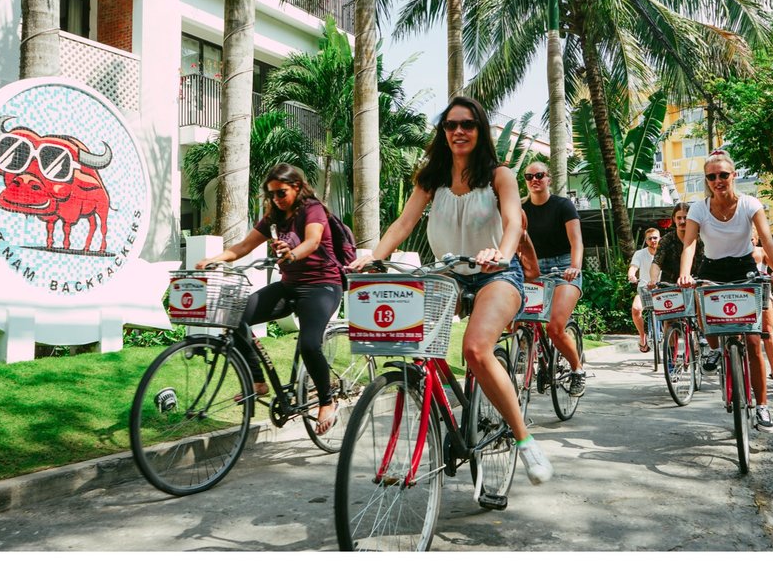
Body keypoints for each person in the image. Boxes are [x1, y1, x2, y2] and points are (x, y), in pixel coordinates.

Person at [349, 96, 553, 485]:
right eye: (450, 125)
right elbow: (403, 223)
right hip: (448, 274)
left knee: (475, 349)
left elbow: (513, 223)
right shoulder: (432, 178)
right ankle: (424, 427)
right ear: (443, 132)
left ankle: (525, 440)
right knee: (410, 343)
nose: (459, 131)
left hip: (497, 273)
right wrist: (373, 257)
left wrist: (501, 253)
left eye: (468, 124)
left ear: (480, 131)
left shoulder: (501, 175)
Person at [196, 163, 342, 435]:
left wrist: (293, 253)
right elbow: (242, 246)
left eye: (281, 193)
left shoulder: (313, 209)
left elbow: (312, 241)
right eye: (271, 194)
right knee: (237, 316)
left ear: (297, 187)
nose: (276, 199)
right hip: (289, 286)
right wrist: (213, 259)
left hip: (322, 286)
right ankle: (257, 382)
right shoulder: (274, 217)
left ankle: (326, 400)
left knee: (310, 345)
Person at [677, 150, 773, 434]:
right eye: (711, 176)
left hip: (744, 268)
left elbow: (766, 239)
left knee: (753, 341)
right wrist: (685, 274)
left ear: (733, 175)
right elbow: (689, 244)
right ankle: (713, 350)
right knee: (704, 308)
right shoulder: (699, 209)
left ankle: (762, 406)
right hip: (712, 268)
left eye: (723, 175)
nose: (718, 180)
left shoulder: (750, 204)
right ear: (707, 180)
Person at [521, 161, 586, 396]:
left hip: (563, 267)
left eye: (539, 175)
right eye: (529, 176)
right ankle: (535, 357)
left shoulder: (563, 205)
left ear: (548, 178)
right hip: (533, 269)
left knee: (555, 326)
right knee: (514, 319)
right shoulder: (520, 209)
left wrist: (574, 267)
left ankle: (577, 369)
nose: (534, 180)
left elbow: (576, 241)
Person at [649, 202, 702, 286]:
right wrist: (653, 281)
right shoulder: (666, 240)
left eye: (685, 218)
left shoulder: (700, 239)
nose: (682, 221)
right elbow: (656, 262)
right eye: (679, 218)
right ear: (674, 219)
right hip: (670, 287)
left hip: (695, 284)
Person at [751, 229, 773, 380]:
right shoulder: (734, 254)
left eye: (752, 240)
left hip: (762, 294)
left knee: (767, 331)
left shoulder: (762, 252)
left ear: (756, 240)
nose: (749, 243)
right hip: (742, 296)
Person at [628, 228, 660, 353]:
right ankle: (642, 336)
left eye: (655, 238)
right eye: (650, 238)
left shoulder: (664, 252)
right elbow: (633, 267)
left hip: (662, 288)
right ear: (646, 241)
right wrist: (632, 275)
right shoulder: (640, 253)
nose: (653, 240)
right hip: (644, 288)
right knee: (636, 309)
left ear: (660, 238)